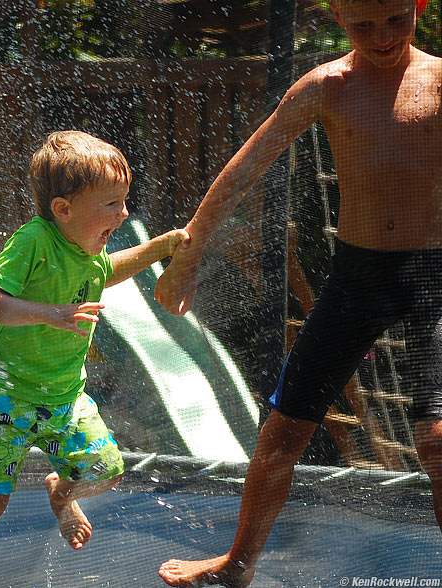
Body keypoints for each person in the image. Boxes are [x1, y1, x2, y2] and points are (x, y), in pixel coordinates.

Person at [154, 0, 441, 585]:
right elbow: (243, 170)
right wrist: (187, 260)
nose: (381, 36)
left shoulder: (440, 80)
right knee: (283, 431)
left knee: (437, 442)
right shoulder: (325, 86)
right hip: (357, 280)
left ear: (418, 6)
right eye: (363, 24)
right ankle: (237, 565)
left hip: (434, 279)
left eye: (394, 20)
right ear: (339, 16)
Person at [0, 130, 190, 587]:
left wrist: (160, 247)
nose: (123, 213)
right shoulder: (35, 241)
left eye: (124, 201)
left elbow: (108, 272)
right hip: (3, 397)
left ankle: (62, 495)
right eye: (111, 204)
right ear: (63, 209)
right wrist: (50, 314)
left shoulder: (88, 251)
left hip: (62, 397)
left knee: (106, 469)